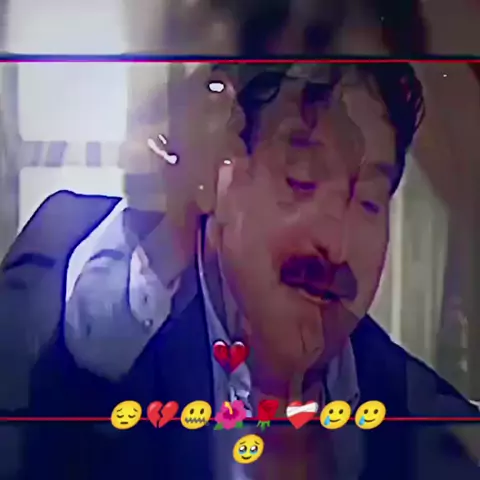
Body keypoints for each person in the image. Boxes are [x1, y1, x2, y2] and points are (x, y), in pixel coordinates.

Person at [3, 62, 476, 480]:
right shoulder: (92, 285)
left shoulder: (433, 434)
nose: (336, 245)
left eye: (369, 201)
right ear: (220, 167)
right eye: (302, 179)